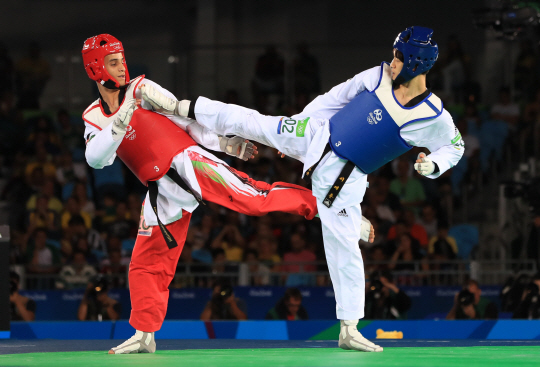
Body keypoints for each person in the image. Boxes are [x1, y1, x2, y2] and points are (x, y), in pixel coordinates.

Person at [142, 26, 464, 352]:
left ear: (412, 62)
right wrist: (300, 122)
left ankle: (349, 328)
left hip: (342, 178)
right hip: (316, 133)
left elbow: (455, 147)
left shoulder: (432, 115)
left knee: (345, 250)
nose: (391, 61)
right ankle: (181, 107)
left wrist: (433, 165)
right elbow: (335, 97)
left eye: (397, 56)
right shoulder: (378, 76)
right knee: (255, 123)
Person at [80, 34, 320, 354]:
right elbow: (96, 159)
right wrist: (117, 126)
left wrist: (226, 144)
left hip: (189, 162)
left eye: (122, 60)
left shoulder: (141, 90)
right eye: (113, 63)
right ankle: (144, 334)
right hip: (161, 190)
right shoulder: (92, 117)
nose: (122, 68)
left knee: (255, 200)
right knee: (144, 262)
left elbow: (187, 120)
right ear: (96, 69)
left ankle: (323, 206)